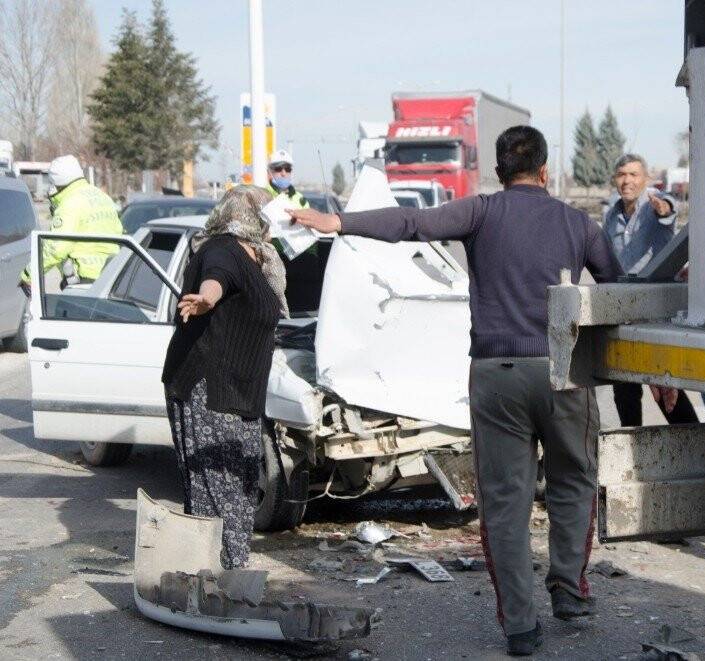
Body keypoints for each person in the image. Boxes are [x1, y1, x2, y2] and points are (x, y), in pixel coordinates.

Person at [289, 126, 620, 657]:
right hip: (564, 371)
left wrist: (339, 222)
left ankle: (520, 626)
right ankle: (568, 587)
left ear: (498, 170)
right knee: (574, 480)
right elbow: (618, 291)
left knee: (506, 503)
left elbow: (411, 224)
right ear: (544, 170)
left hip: (494, 376)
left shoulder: (481, 213)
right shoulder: (578, 223)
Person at [161, 185, 287, 570]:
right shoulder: (222, 249)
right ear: (253, 217)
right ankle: (220, 577)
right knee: (218, 487)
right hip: (208, 387)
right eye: (270, 211)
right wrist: (207, 298)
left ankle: (218, 574)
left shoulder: (259, 257)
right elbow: (216, 278)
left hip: (240, 389)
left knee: (242, 481)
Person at [603, 153, 698, 426]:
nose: (627, 180)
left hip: (654, 312)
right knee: (624, 390)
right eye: (622, 175)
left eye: (633, 174)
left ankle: (691, 440)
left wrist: (663, 210)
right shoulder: (612, 216)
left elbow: (669, 208)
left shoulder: (654, 202)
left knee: (665, 390)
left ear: (645, 178)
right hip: (624, 311)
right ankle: (631, 445)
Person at [21, 155, 122, 289]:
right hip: (112, 275)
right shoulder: (103, 197)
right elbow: (119, 232)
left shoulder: (69, 204)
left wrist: (28, 274)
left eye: (52, 182)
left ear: (58, 182)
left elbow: (56, 248)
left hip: (83, 279)